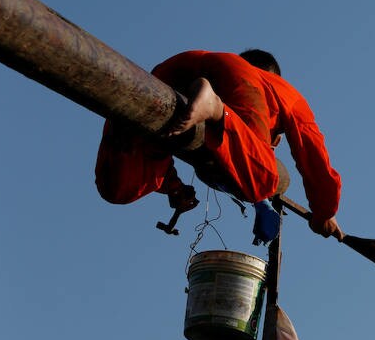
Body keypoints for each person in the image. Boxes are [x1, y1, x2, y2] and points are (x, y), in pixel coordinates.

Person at [95, 49, 344, 243]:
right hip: (222, 86)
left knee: (118, 188)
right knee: (266, 179)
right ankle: (215, 108)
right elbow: (312, 153)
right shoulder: (283, 92)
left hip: (172, 68)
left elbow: (164, 142)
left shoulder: (224, 66)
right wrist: (324, 212)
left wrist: (173, 187)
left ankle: (210, 107)